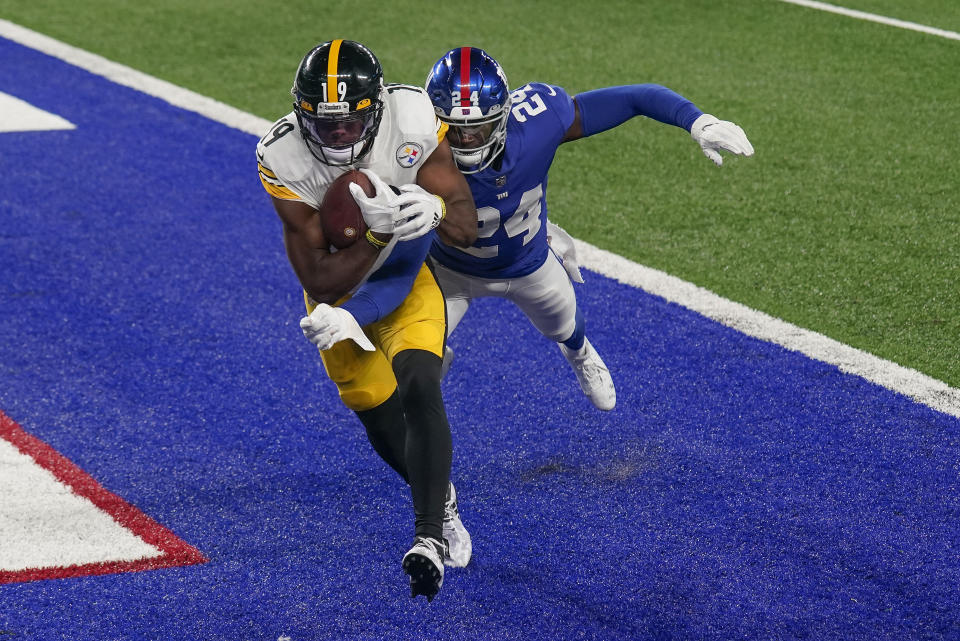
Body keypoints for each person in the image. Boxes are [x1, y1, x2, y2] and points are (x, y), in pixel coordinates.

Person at [255, 39, 478, 601]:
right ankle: (442, 498)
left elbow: (467, 226)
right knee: (378, 415)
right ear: (300, 112)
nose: (336, 137)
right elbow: (321, 280)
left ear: (375, 107)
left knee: (422, 384)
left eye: (347, 122)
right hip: (339, 298)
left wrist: (435, 208)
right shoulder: (281, 156)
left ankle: (428, 534)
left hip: (406, 283)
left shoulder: (415, 118)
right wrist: (377, 231)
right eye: (322, 124)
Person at [419, 47, 755, 411]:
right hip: (447, 272)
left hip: (528, 263)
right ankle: (428, 358)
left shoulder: (537, 121)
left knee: (566, 327)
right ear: (433, 120)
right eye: (455, 128)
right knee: (409, 359)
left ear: (504, 115)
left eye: (478, 126)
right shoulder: (413, 141)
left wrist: (697, 120)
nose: (467, 139)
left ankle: (580, 355)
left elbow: (634, 97)